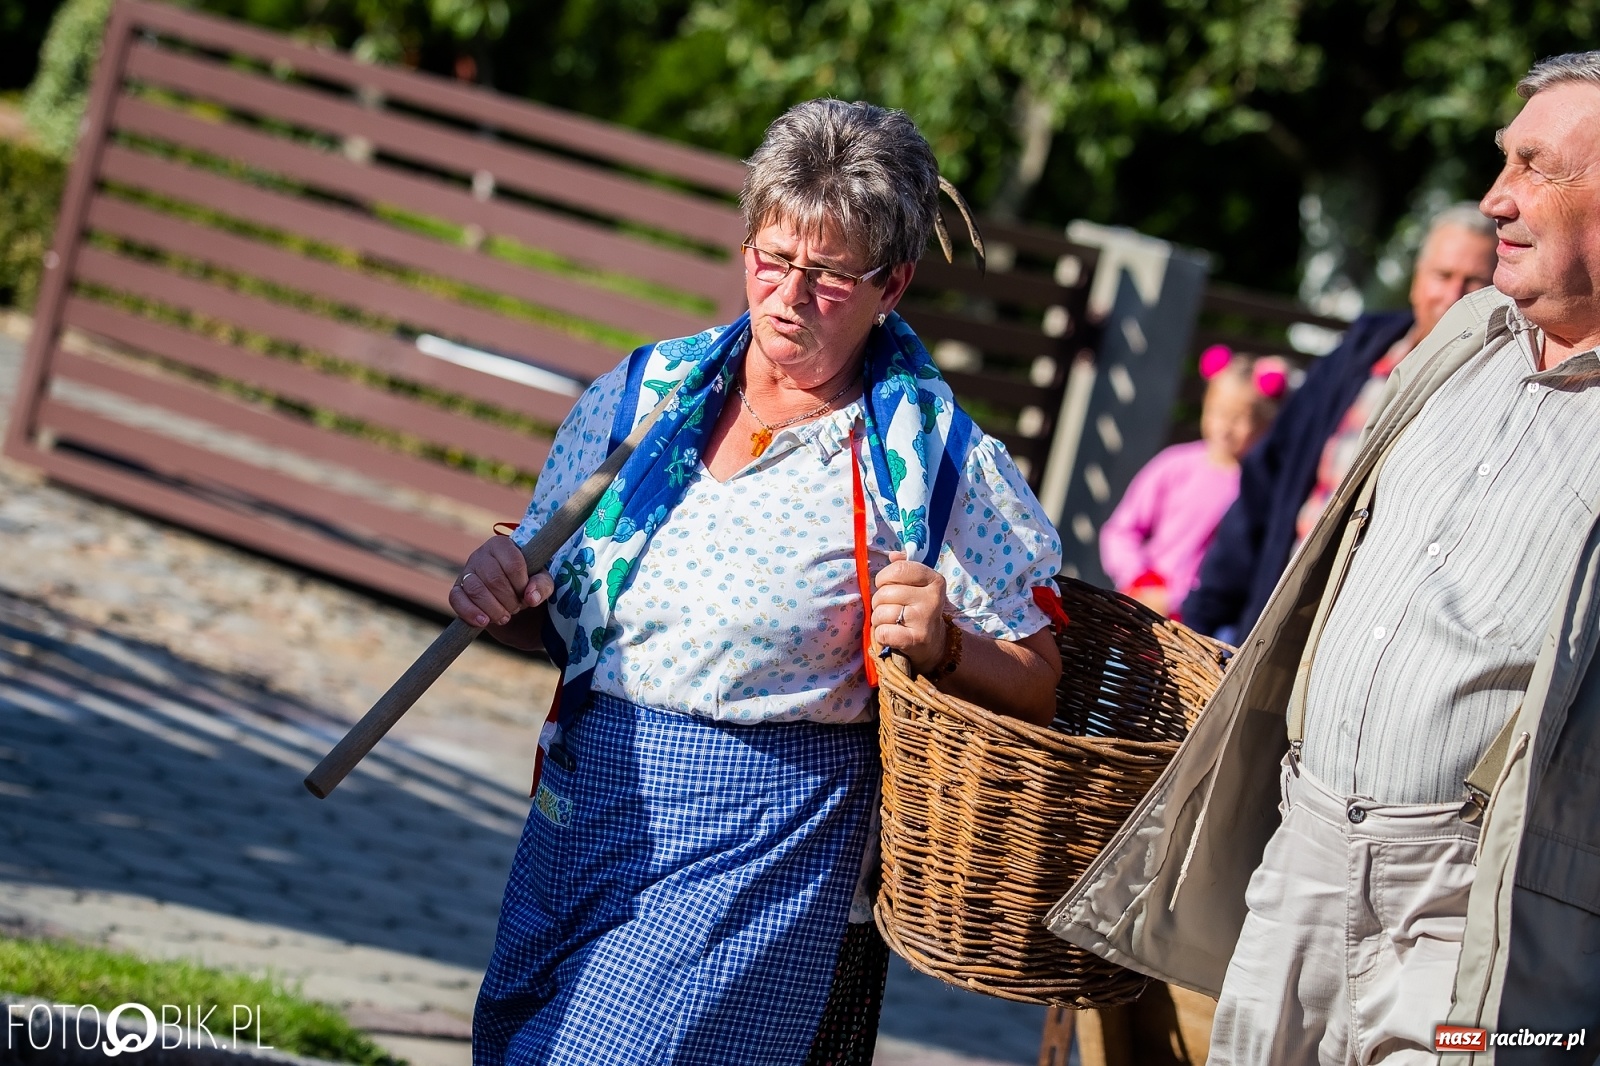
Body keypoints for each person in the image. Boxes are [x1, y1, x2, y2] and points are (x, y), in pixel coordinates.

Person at [450, 99, 1065, 1066]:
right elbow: (550, 609)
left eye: (829, 276)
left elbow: (1040, 676)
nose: (788, 297)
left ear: (893, 284)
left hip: (757, 850)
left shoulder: (931, 462)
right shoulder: (644, 396)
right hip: (587, 809)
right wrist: (503, 588)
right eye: (772, 259)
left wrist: (948, 644)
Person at [1047, 51, 1600, 1064]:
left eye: (1534, 166)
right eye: (1502, 160)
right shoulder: (1461, 339)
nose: (1496, 198)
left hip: (1477, 907)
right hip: (1302, 846)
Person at [1183, 204, 1497, 642]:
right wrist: (1203, 615)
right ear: (1416, 280)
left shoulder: (1490, 386)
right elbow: (1267, 477)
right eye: (1442, 275)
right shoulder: (1361, 351)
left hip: (1365, 632)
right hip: (1278, 604)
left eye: (1474, 282)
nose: (1453, 294)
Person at [1098, 348, 1285, 621]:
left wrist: (1182, 600)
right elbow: (1120, 531)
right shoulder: (1174, 465)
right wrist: (1139, 579)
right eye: (1218, 412)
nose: (1225, 427)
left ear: (1265, 423)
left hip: (1205, 620)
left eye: (1239, 418)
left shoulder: (1260, 491)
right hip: (1140, 606)